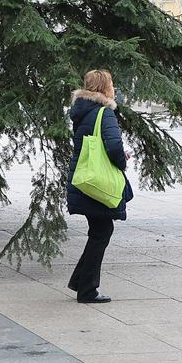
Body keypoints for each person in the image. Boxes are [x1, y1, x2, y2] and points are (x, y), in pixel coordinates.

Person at [66, 69, 133, 301]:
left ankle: (80, 282)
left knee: (99, 231)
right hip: (96, 180)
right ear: (105, 87)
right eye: (112, 83)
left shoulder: (82, 111)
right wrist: (122, 160)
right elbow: (113, 147)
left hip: (84, 178)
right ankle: (86, 290)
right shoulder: (104, 113)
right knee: (101, 232)